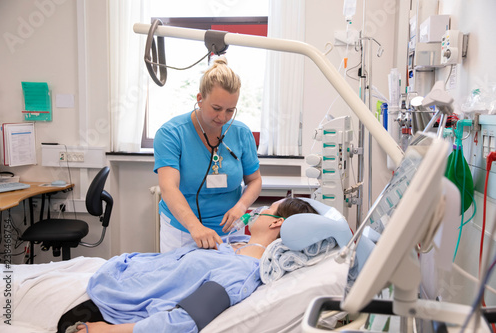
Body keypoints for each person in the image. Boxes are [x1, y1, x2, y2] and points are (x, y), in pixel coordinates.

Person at [57, 198, 318, 333]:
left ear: (276, 223)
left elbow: (182, 322)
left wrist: (107, 331)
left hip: (108, 302)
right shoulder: (239, 241)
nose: (258, 210)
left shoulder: (240, 273)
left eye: (268, 208)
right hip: (115, 273)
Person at [153, 56, 262, 253]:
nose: (223, 117)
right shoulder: (171, 133)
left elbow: (255, 180)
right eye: (216, 108)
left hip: (229, 231)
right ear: (200, 99)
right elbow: (168, 187)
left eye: (230, 110)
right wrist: (195, 227)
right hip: (183, 230)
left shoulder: (241, 133)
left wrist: (241, 207)